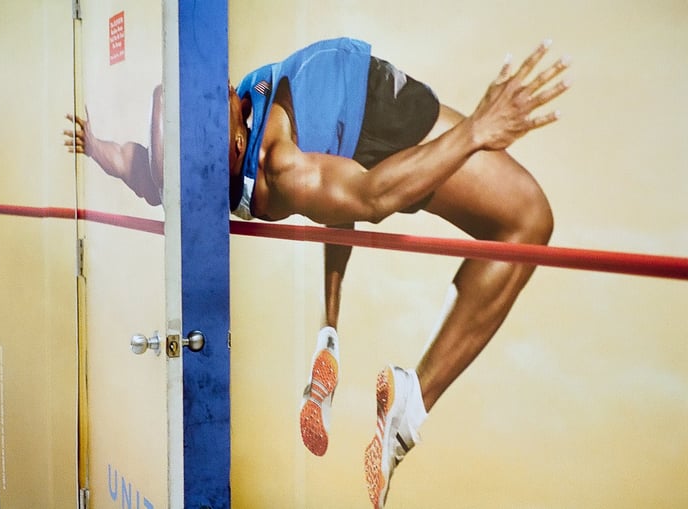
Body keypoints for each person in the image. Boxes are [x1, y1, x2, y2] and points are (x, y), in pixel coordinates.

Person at [66, 37, 569, 509]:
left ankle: (328, 335)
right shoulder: (283, 166)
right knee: (527, 219)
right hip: (376, 112)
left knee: (332, 183)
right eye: (216, 97)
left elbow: (134, 163)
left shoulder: (180, 174)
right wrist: (477, 129)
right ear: (236, 142)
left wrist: (95, 147)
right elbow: (372, 198)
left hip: (335, 125)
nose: (225, 83)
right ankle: (411, 405)